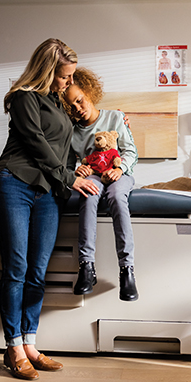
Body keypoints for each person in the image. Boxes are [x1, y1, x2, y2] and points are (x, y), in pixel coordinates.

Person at [0, 39, 100, 381]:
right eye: (64, 77)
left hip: (49, 193)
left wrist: (113, 120)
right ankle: (13, 347)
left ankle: (31, 344)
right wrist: (69, 177)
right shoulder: (25, 97)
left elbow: (74, 136)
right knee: (17, 268)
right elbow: (37, 143)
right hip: (16, 185)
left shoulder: (58, 101)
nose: (68, 83)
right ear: (48, 70)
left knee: (38, 271)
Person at [63, 67, 139, 302]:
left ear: (88, 92)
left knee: (116, 197)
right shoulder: (73, 133)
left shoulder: (115, 117)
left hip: (119, 174)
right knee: (89, 194)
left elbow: (131, 152)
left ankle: (127, 270)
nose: (78, 108)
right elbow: (68, 166)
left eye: (80, 101)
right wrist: (79, 171)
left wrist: (119, 168)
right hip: (94, 175)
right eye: (72, 107)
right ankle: (86, 267)